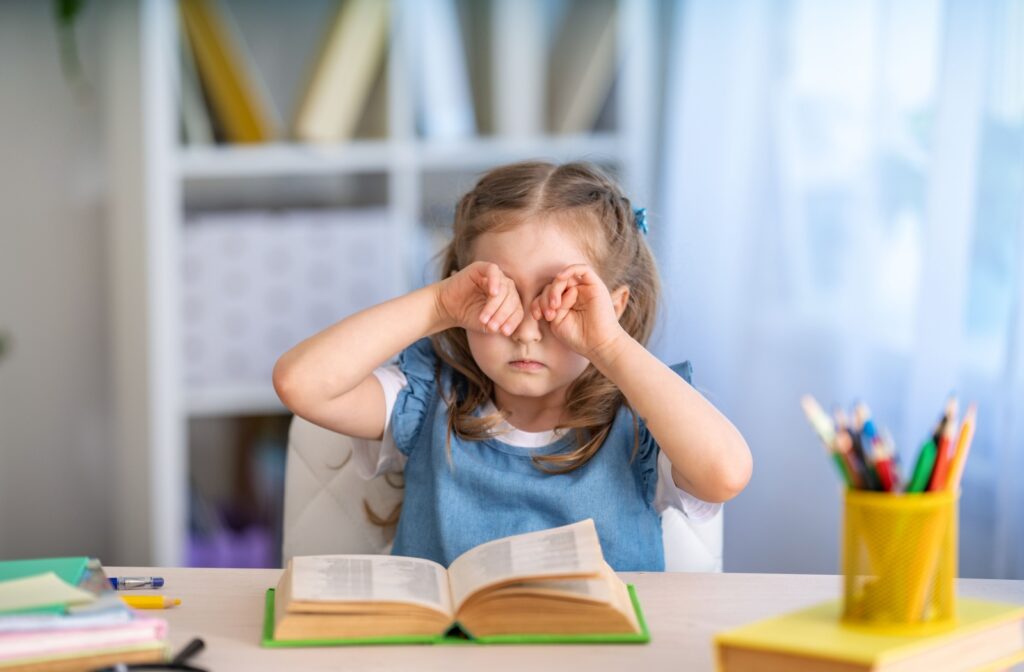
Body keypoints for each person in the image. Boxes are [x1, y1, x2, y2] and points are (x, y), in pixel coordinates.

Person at [273, 161, 752, 571]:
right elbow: (300, 384)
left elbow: (726, 473)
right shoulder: (426, 398)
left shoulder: (646, 420)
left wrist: (608, 342)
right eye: (500, 296)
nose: (525, 330)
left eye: (557, 299)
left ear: (615, 305)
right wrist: (439, 305)